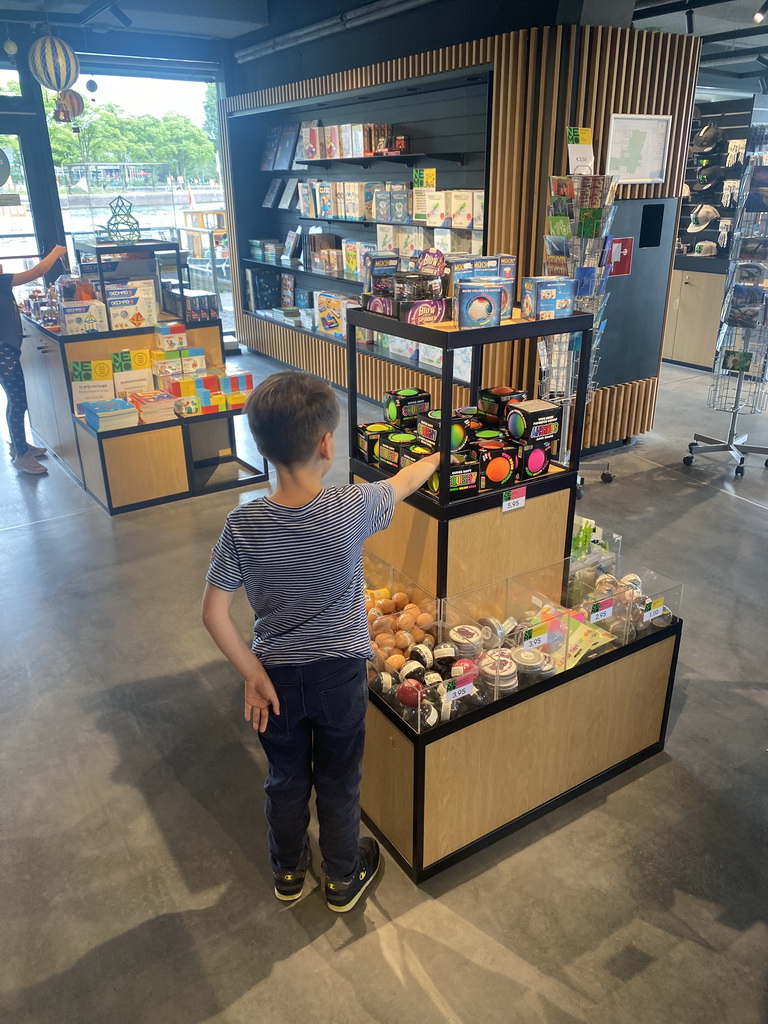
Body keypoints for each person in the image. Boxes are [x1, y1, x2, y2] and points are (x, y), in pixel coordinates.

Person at [202, 371, 441, 912]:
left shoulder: (242, 525)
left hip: (277, 679)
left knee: (286, 778)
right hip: (339, 674)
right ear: (327, 443)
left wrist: (253, 675)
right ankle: (341, 877)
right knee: (338, 778)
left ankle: (288, 872)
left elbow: (214, 613)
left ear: (259, 444)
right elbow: (404, 481)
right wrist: (434, 459)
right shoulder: (351, 507)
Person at [1, 244, 69, 475]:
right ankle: (22, 455)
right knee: (18, 402)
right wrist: (56, 252)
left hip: (7, 349)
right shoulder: (1, 282)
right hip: (4, 352)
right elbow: (37, 272)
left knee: (15, 401)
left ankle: (19, 446)